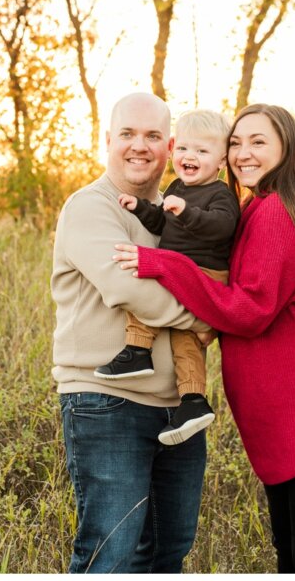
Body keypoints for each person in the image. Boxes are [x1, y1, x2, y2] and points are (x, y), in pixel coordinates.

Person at [114, 103, 295, 573]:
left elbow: (247, 312)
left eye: (259, 142)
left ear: (287, 147)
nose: (244, 153)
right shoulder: (257, 207)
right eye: (236, 142)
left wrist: (164, 265)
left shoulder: (280, 212)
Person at [51, 92, 212, 573]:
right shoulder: (89, 207)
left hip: (178, 410)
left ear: (170, 146)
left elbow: (217, 269)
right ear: (107, 141)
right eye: (127, 134)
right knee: (112, 554)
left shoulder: (180, 212)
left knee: (168, 553)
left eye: (151, 136)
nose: (138, 146)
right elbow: (131, 291)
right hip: (106, 403)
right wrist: (208, 317)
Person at [95, 109, 240, 446]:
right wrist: (140, 208)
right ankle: (192, 400)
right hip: (182, 269)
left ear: (221, 161)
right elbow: (162, 224)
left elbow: (223, 226)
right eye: (185, 149)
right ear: (175, 151)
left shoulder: (220, 195)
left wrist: (187, 212)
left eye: (202, 152)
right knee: (183, 338)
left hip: (203, 272)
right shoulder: (176, 187)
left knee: (148, 283)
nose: (190, 157)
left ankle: (138, 351)